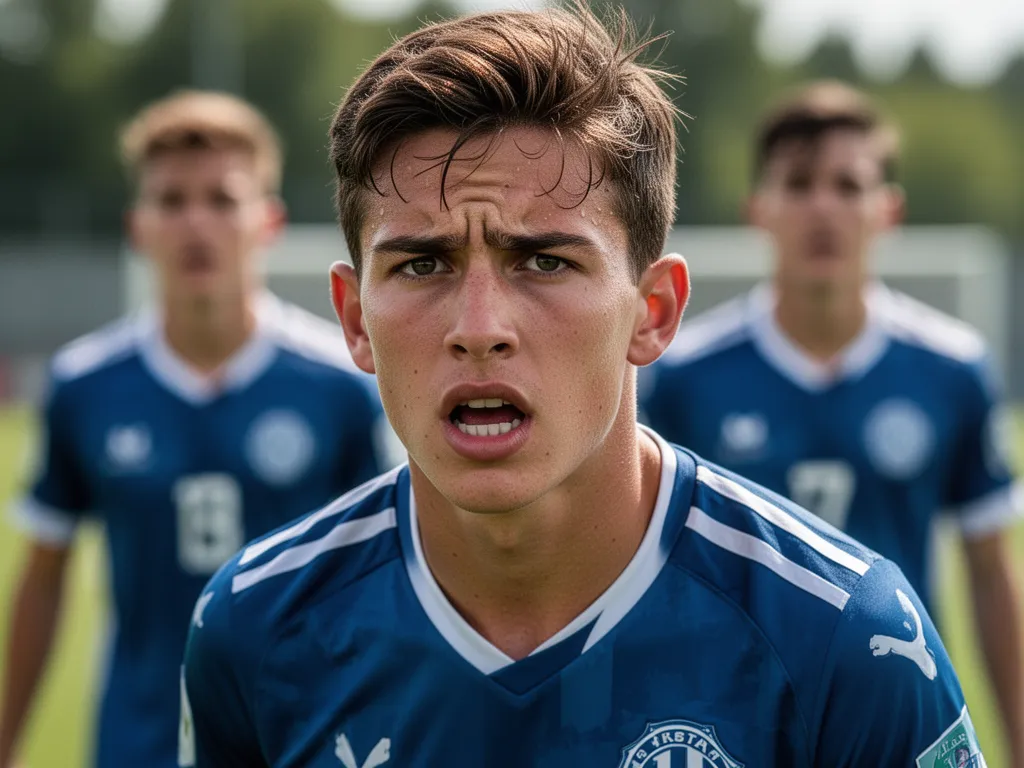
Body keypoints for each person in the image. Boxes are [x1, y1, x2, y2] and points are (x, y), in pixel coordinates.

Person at [181, 11, 986, 766]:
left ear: (654, 312)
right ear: (355, 320)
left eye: (545, 261)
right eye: (423, 264)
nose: (480, 327)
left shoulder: (846, 637)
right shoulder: (254, 630)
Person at [0, 90, 394, 768]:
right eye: (171, 200)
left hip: (300, 736)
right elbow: (43, 578)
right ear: (138, 227)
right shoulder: (84, 384)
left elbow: (389, 570)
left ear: (268, 221)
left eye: (221, 199)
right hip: (138, 740)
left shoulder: (341, 385)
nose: (196, 223)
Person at [641, 79, 1024, 763]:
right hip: (734, 716)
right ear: (758, 209)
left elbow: (991, 576)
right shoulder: (686, 376)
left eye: (848, 185)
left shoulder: (951, 369)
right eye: (798, 184)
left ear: (888, 210)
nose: (823, 206)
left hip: (897, 712)